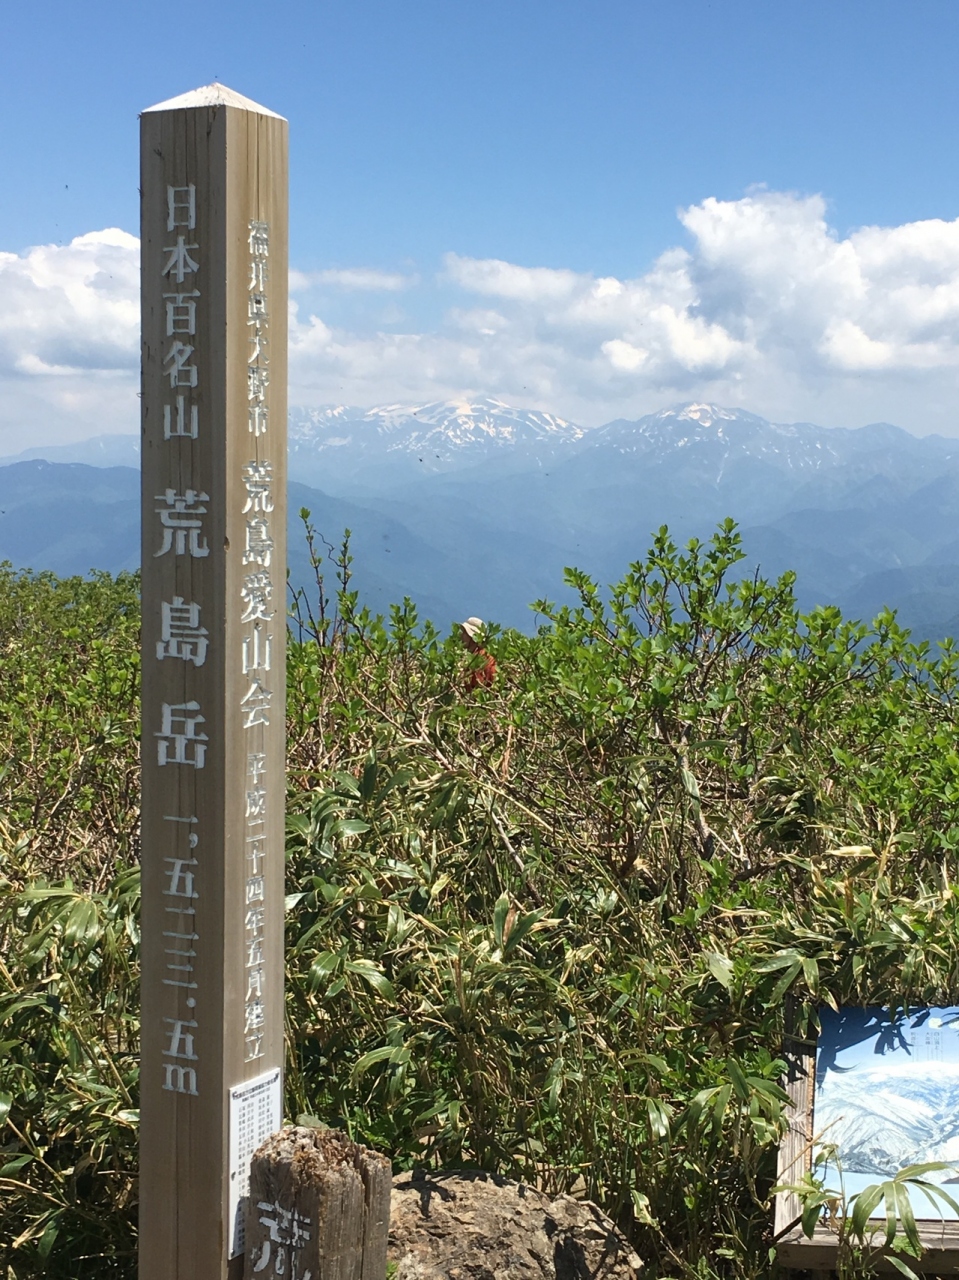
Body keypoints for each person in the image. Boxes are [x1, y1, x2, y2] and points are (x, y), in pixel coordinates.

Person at [460, 616, 496, 690]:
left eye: (465, 633)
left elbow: (476, 688)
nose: (461, 636)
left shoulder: (479, 659)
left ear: (472, 637)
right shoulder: (485, 656)